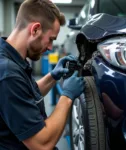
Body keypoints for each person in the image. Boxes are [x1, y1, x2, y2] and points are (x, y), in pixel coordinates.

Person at [0, 0, 85, 150]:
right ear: (35, 30)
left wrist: (53, 76)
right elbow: (41, 143)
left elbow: (24, 94)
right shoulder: (8, 74)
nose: (51, 47)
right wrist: (67, 96)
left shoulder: (11, 57)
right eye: (51, 39)